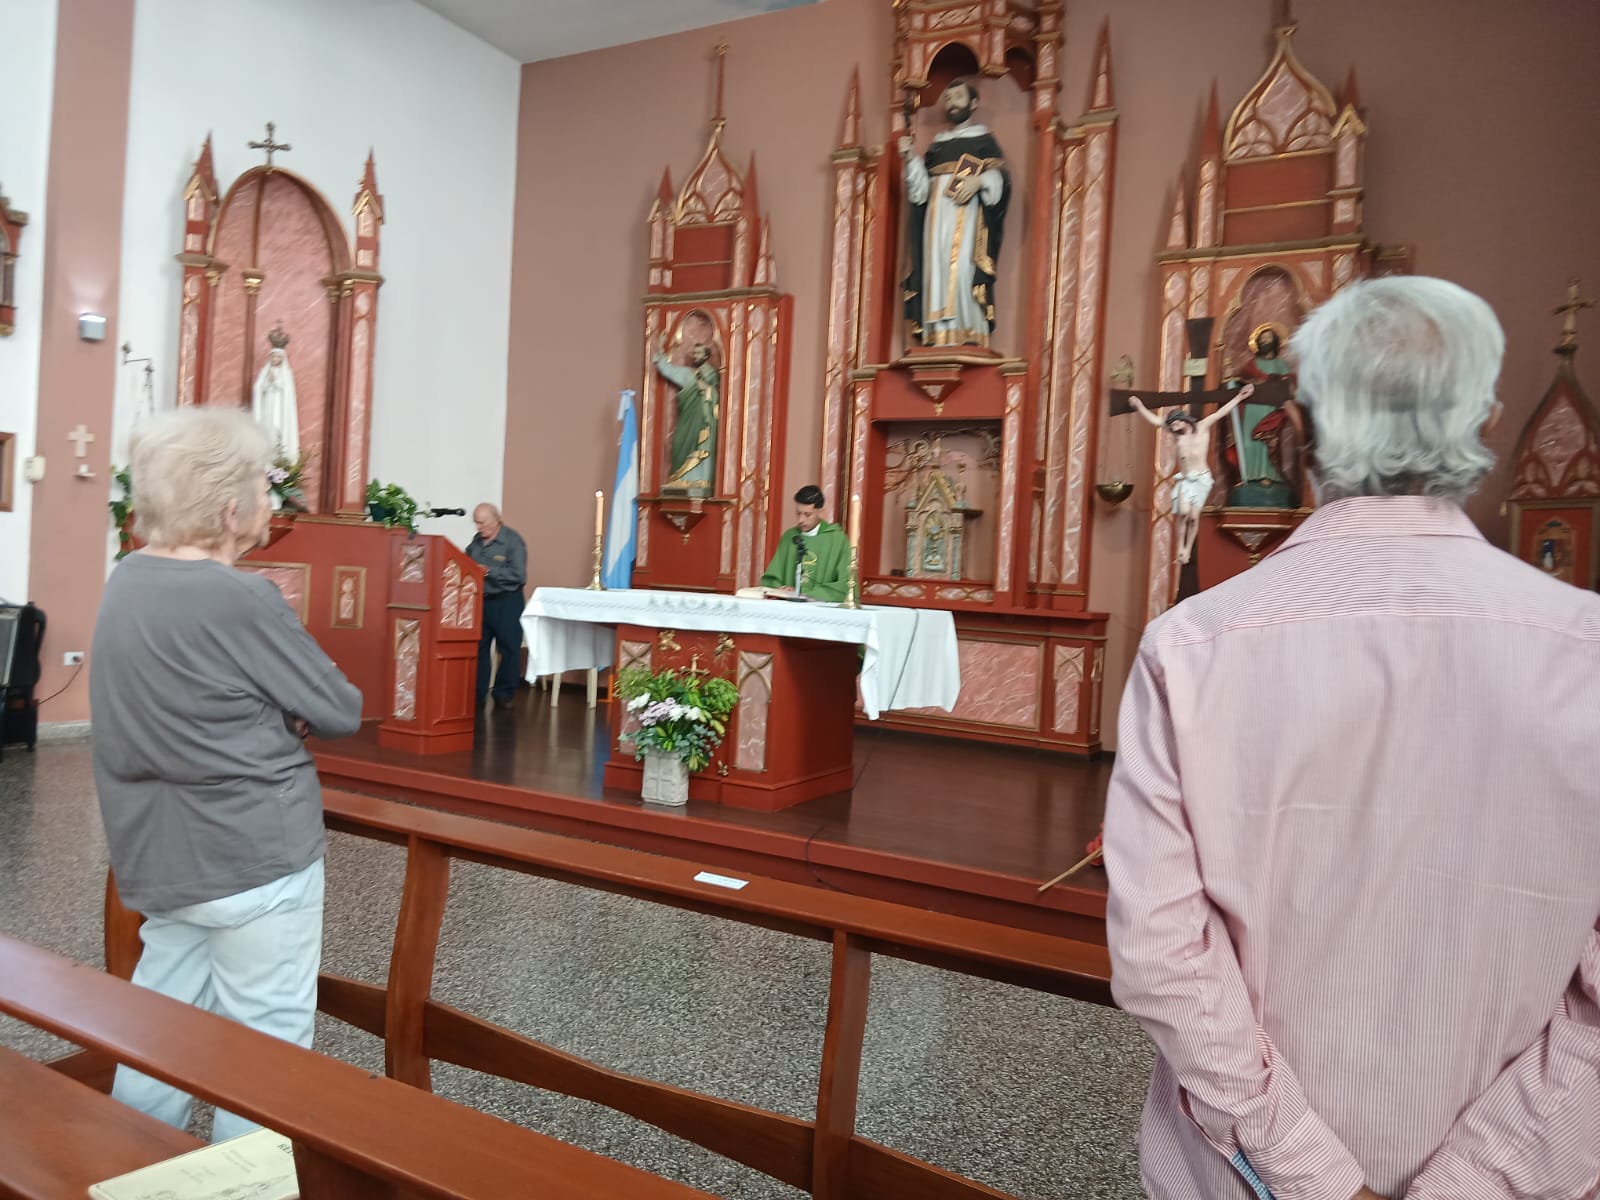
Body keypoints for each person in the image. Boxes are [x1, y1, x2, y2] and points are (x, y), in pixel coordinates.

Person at [1104, 277, 1600, 1200]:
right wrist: (1476, 1181)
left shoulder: (1193, 646)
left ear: (1297, 421)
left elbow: (1161, 952)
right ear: (1485, 419)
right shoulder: (1587, 651)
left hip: (1241, 1180)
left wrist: (1314, 1175)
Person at [90, 406, 362, 1143]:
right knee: (266, 1051)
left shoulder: (127, 579)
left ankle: (129, 1171)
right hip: (252, 854)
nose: (271, 501)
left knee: (159, 1028)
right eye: (263, 486)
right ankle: (244, 1190)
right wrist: (279, 713)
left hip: (159, 854)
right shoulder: (240, 596)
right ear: (230, 507)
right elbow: (338, 707)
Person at [899, 78, 1010, 349]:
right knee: (935, 271)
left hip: (968, 218)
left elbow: (1001, 180)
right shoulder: (937, 145)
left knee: (962, 272)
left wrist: (979, 181)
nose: (952, 103)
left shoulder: (984, 140)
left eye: (958, 97)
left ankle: (968, 328)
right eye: (948, 98)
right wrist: (910, 158)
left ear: (973, 103)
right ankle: (937, 335)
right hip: (936, 221)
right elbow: (920, 192)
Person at [1130, 383, 1253, 565]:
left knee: (1194, 517)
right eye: (1171, 426)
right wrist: (1139, 406)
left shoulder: (1202, 427)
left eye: (1175, 424)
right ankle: (1180, 547)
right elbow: (1155, 421)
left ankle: (1187, 550)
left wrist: (1240, 397)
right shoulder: (1176, 434)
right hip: (1186, 479)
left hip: (1201, 478)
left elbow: (1222, 412)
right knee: (1184, 513)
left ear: (1183, 420)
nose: (1174, 428)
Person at [467, 502, 527, 710]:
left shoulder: (513, 541)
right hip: (481, 601)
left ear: (496, 521)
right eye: (476, 523)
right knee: (479, 648)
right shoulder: (476, 542)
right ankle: (477, 694)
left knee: (509, 649)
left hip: (507, 601)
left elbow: (519, 575)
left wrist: (490, 571)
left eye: (482, 523)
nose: (479, 527)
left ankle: (504, 693)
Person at [759, 485, 852, 602]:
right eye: (798, 514)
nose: (801, 520)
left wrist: (805, 593)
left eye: (807, 514)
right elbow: (773, 578)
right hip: (788, 607)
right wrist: (781, 590)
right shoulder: (790, 537)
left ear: (821, 512)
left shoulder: (837, 539)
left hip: (820, 607)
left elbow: (843, 584)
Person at [653, 340, 719, 492]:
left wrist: (708, 390)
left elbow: (719, 398)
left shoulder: (712, 375)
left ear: (706, 356)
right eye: (694, 353)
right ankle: (680, 479)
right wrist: (660, 349)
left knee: (701, 445)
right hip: (687, 417)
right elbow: (669, 370)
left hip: (704, 419)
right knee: (679, 442)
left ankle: (700, 480)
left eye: (698, 353)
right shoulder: (688, 374)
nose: (695, 356)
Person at [250, 325, 298, 463]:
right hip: (268, 405)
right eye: (273, 356)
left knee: (278, 430)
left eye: (277, 357)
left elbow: (287, 390)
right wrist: (266, 383)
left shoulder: (286, 373)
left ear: (282, 358)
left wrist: (275, 381)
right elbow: (258, 388)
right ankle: (267, 458)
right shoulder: (265, 371)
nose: (274, 359)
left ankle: (281, 458)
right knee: (268, 430)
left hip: (280, 408)